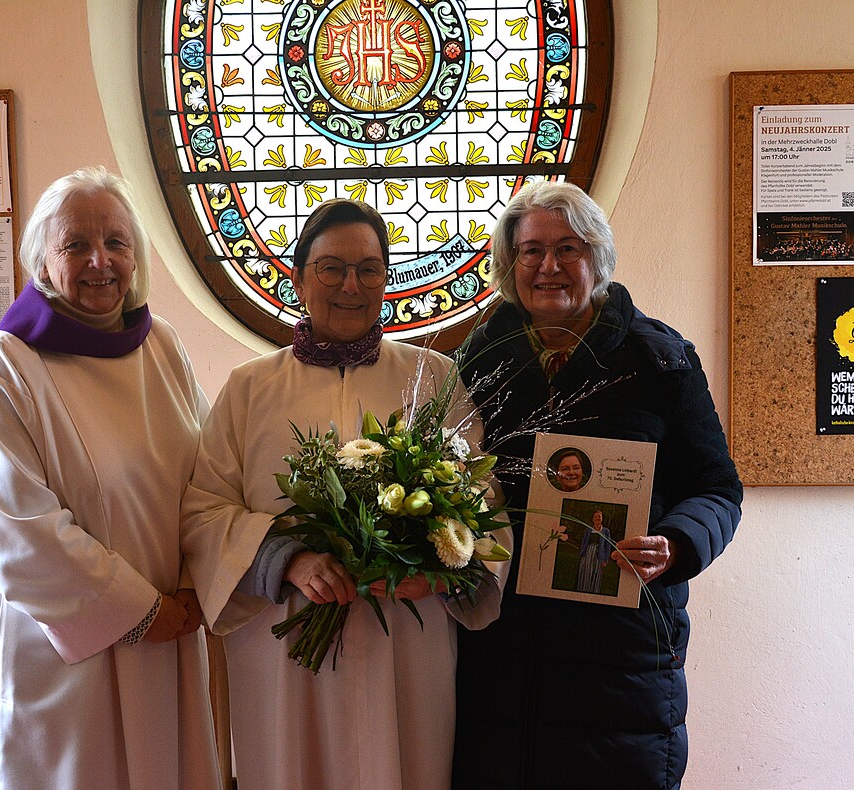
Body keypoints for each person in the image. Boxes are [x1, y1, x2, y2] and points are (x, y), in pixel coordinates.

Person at [182, 198, 508, 790]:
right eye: (331, 268)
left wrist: (438, 573)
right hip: (287, 643)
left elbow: (482, 500)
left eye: (368, 269)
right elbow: (205, 511)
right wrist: (288, 561)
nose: (350, 285)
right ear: (299, 277)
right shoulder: (249, 388)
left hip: (404, 636)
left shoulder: (433, 378)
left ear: (387, 278)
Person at [452, 180, 743, 788]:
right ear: (509, 263)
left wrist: (677, 544)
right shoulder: (477, 359)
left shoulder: (660, 358)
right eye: (531, 250)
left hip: (623, 649)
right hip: (502, 647)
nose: (549, 266)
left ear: (598, 257)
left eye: (569, 248)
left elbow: (717, 487)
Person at [0, 167, 221, 789]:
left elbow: (210, 475)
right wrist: (140, 611)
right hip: (65, 654)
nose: (100, 261)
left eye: (116, 242)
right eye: (76, 244)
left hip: (172, 626)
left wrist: (194, 585)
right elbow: (19, 531)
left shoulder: (162, 348)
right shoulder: (6, 367)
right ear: (43, 263)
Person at [576, 509, 611, 594]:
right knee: (587, 571)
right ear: (593, 519)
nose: (597, 518)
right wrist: (582, 553)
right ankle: (584, 588)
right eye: (595, 517)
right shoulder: (588, 529)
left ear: (602, 518)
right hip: (588, 554)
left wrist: (606, 559)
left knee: (596, 572)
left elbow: (607, 546)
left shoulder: (606, 531)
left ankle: (593, 591)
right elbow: (584, 542)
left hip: (599, 555)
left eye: (599, 516)